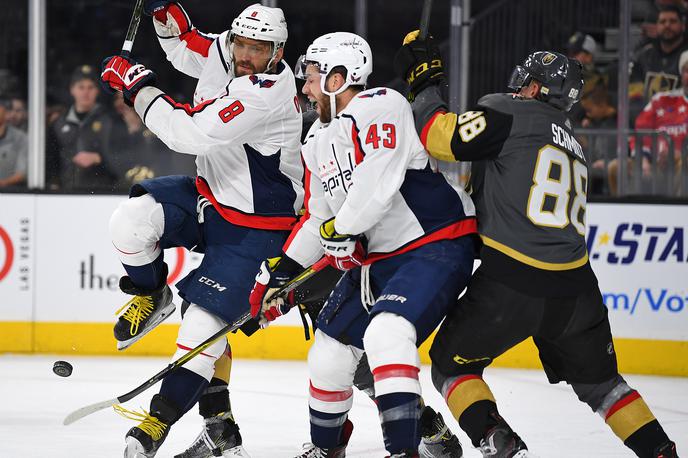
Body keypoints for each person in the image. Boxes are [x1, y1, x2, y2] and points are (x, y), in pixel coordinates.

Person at [395, 34, 679, 458]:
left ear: (534, 88)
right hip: (577, 289)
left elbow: (441, 139)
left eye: (526, 80)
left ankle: (499, 441)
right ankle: (661, 451)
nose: (519, 84)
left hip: (512, 279)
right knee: (604, 385)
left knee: (452, 366)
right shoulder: (573, 143)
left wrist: (426, 86)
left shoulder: (511, 112)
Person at [248, 32, 477, 457]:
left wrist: (344, 231)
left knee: (386, 334)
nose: (305, 87)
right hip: (378, 259)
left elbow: (379, 186)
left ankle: (404, 450)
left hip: (432, 243)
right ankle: (326, 448)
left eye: (312, 77)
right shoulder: (315, 139)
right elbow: (318, 217)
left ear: (339, 78)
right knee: (329, 356)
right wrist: (281, 272)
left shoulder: (382, 104)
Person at [100, 2, 303, 457]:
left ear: (278, 52)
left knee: (203, 326)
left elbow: (187, 133)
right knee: (131, 221)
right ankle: (152, 294)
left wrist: (138, 89)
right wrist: (168, 21)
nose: (247, 55)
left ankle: (158, 420)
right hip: (211, 201)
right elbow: (186, 49)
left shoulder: (267, 92)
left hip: (261, 229)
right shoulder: (226, 51)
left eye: (260, 48)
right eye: (243, 44)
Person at [48, 64, 118, 191]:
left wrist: (100, 158)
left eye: (90, 87)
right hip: (65, 192)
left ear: (97, 91)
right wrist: (53, 184)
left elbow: (123, 156)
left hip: (103, 192)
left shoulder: (111, 121)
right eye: (81, 87)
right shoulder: (58, 123)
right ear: (72, 90)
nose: (86, 92)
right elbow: (51, 159)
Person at [630, 5, 688, 122]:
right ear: (656, 27)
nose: (667, 25)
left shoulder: (686, 57)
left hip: (680, 122)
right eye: (662, 22)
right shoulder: (644, 56)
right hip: (648, 119)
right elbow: (634, 95)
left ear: (683, 26)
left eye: (672, 21)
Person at [0, 95, 28, 189]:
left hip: (12, 196)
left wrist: (3, 183)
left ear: (6, 113)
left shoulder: (20, 138)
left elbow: (22, 173)